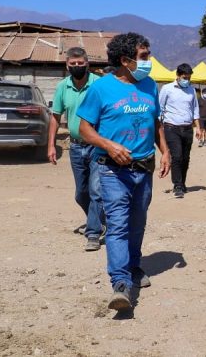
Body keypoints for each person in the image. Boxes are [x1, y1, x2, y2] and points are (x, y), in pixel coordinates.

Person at [77, 32, 171, 311]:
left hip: (145, 169)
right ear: (125, 60)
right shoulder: (101, 88)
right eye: (143, 57)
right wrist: (109, 145)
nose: (149, 61)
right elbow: (84, 128)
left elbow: (156, 122)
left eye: (148, 55)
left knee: (138, 222)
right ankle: (120, 283)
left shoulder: (150, 86)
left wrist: (165, 150)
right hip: (112, 171)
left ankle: (134, 265)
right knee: (118, 225)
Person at [47, 47, 105, 251]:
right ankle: (102, 219)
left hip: (97, 147)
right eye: (73, 64)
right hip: (76, 147)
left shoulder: (98, 84)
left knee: (96, 191)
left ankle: (93, 233)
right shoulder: (63, 87)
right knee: (81, 193)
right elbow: (55, 117)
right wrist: (51, 145)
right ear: (67, 65)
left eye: (81, 64)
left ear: (87, 64)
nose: (77, 67)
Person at [158, 64, 202, 198]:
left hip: (188, 128)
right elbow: (160, 108)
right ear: (177, 76)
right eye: (184, 77)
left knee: (185, 158)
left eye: (189, 78)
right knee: (177, 156)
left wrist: (198, 127)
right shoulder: (167, 89)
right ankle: (177, 185)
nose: (187, 80)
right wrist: (159, 128)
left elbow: (195, 109)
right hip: (172, 128)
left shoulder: (191, 90)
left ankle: (183, 183)